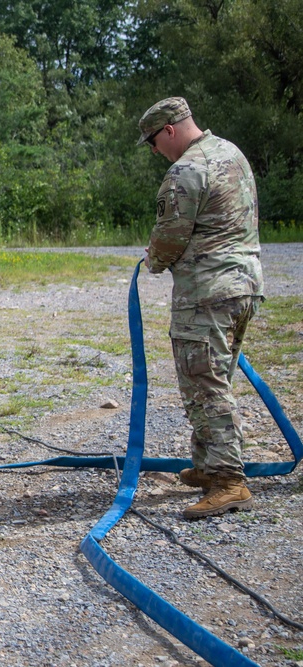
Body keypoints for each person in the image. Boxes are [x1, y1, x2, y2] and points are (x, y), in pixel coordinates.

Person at [137, 97, 264, 520]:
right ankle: (210, 467)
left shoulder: (185, 171)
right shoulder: (231, 153)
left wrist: (151, 259)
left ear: (169, 130)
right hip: (245, 285)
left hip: (207, 292)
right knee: (216, 377)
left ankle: (229, 481)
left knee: (204, 385)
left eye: (154, 141)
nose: (155, 151)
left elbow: (170, 238)